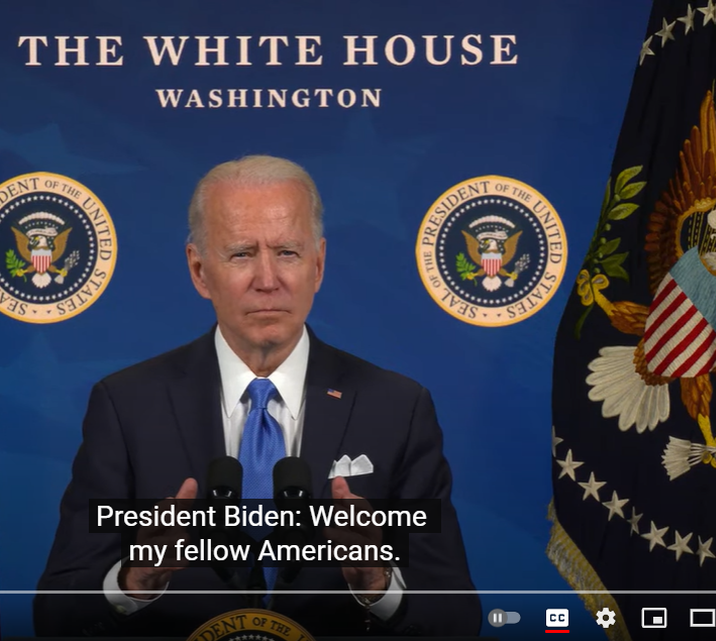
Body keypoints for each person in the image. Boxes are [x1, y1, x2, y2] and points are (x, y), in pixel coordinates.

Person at [34, 155, 481, 637]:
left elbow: (456, 619)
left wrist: (377, 582)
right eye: (242, 254)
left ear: (319, 265)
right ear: (200, 271)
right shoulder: (127, 405)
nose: (268, 280)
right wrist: (134, 580)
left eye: (287, 252)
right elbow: (55, 616)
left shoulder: (397, 408)